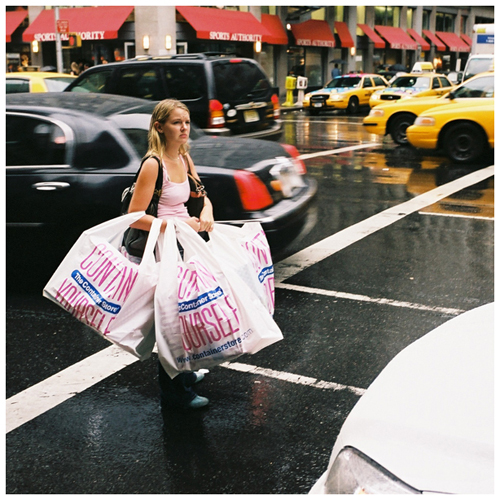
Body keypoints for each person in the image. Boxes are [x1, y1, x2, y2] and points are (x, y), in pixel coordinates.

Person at [127, 99, 215, 410]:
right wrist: (177, 225)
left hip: (185, 244)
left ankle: (185, 375)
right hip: (164, 248)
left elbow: (201, 195)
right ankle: (175, 392)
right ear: (159, 127)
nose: (184, 128)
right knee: (170, 321)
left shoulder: (184, 157)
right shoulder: (154, 164)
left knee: (187, 314)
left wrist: (207, 211)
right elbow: (135, 215)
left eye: (187, 122)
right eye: (177, 123)